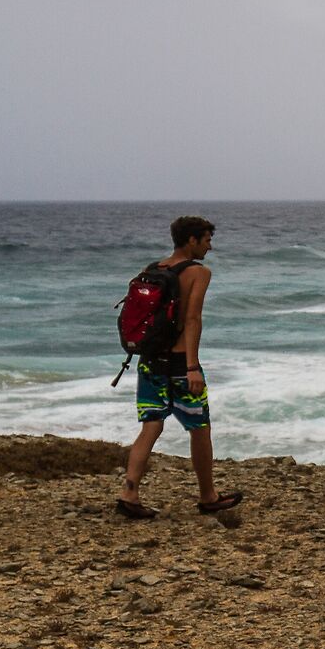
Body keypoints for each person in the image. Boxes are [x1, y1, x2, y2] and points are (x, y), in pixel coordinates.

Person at [117, 215, 242, 519]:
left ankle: (129, 493)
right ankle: (208, 496)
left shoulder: (152, 269)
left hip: (149, 361)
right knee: (199, 427)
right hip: (180, 363)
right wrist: (192, 367)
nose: (209, 247)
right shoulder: (198, 273)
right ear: (191, 240)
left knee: (151, 425)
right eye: (207, 240)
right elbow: (192, 319)